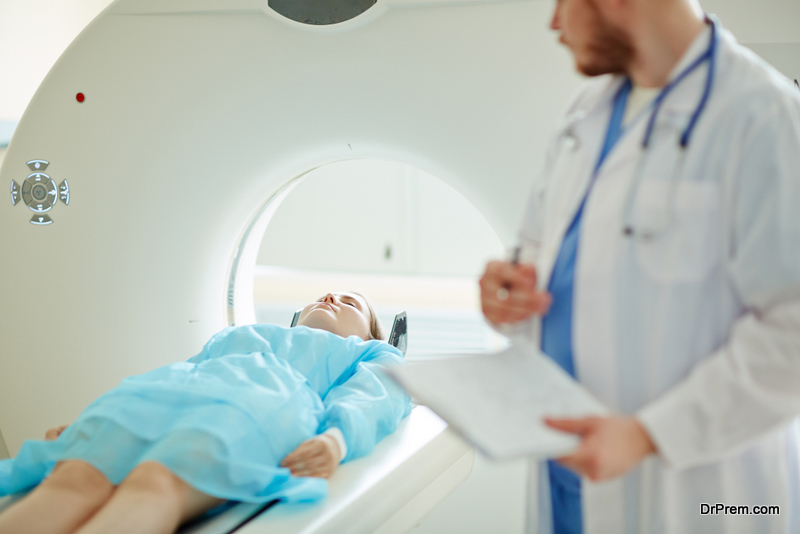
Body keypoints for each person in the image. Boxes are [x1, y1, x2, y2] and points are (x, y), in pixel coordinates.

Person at [479, 0, 800, 532]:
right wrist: (508, 290)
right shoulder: (584, 115)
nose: (554, 23)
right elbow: (538, 251)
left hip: (704, 493)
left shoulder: (764, 116)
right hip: (570, 474)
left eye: (562, 1)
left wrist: (650, 434)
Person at [0, 292, 411, 534]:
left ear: (368, 332)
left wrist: (336, 438)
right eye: (323, 295)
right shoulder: (239, 336)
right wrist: (86, 424)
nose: (330, 297)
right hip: (168, 393)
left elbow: (378, 393)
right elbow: (183, 371)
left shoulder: (367, 352)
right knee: (78, 474)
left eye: (350, 300)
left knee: (157, 480)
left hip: (262, 402)